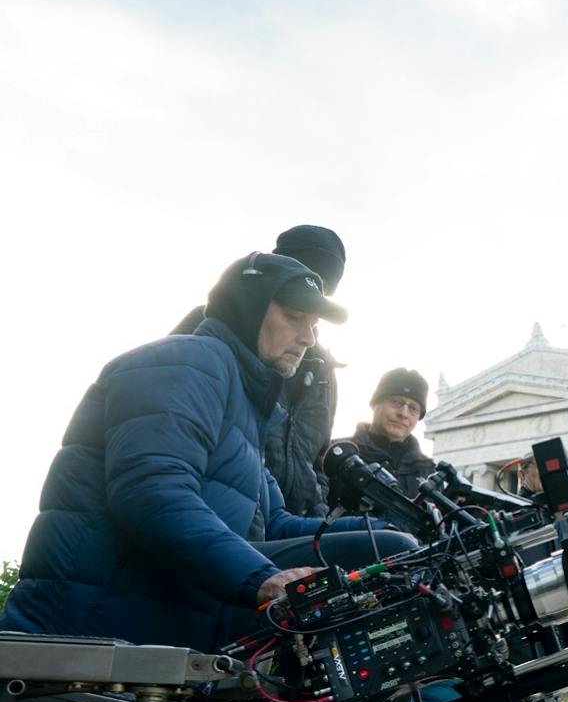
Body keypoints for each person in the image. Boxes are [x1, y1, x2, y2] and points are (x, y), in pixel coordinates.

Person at [2, 252, 411, 653]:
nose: (308, 338)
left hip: (178, 605)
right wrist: (263, 580)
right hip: (93, 617)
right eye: (294, 318)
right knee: (391, 556)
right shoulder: (186, 362)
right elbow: (152, 492)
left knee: (393, 550)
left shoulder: (247, 408)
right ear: (248, 309)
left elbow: (273, 525)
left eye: (314, 326)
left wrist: (391, 524)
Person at [173, 224, 348, 516]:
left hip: (289, 520)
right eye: (292, 309)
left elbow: (319, 456)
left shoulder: (323, 367)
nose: (308, 292)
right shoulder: (209, 332)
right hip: (225, 514)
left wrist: (316, 511)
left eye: (321, 289)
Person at [334, 369, 438, 702]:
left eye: (413, 408)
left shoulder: (429, 473)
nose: (403, 412)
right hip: (340, 598)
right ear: (376, 403)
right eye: (397, 401)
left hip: (398, 604)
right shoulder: (340, 455)